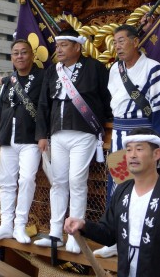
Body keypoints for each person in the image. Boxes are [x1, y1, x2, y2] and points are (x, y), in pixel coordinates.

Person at [34, 28, 112, 253]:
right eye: (57, 46)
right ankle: (55, 233)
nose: (58, 49)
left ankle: (75, 236)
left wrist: (104, 123)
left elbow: (106, 98)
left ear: (77, 47)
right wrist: (41, 135)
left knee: (77, 182)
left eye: (64, 45)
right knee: (58, 183)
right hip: (57, 135)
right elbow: (43, 105)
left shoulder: (95, 68)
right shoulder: (52, 72)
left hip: (84, 133)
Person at [95, 24, 160, 258]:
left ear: (135, 42)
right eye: (115, 42)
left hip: (143, 133)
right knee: (117, 188)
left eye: (122, 41)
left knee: (146, 188)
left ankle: (144, 240)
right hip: (120, 134)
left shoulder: (153, 69)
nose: (118, 46)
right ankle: (115, 239)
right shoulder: (115, 69)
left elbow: (159, 110)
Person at [64, 127, 160, 277]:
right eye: (128, 150)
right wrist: (83, 225)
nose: (132, 155)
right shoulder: (123, 191)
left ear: (156, 154)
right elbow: (108, 234)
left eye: (139, 149)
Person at [0, 39, 44, 244]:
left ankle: (20, 225)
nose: (19, 56)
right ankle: (5, 225)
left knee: (27, 179)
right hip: (7, 136)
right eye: (15, 53)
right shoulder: (9, 81)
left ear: (32, 55)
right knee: (6, 183)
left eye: (23, 52)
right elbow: (0, 109)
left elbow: (45, 108)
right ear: (11, 57)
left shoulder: (43, 78)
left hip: (31, 138)